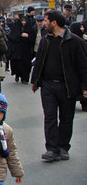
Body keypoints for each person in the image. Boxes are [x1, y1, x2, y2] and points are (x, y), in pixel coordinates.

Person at [30, 9, 87, 162]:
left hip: (67, 86)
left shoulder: (75, 42)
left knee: (66, 118)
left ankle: (63, 147)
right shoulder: (45, 40)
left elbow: (83, 67)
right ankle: (52, 149)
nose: (44, 23)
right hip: (48, 86)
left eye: (47, 21)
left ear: (54, 23)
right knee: (50, 117)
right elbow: (39, 61)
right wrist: (34, 81)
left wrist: (84, 87)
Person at [7, 16, 35, 84]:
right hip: (17, 49)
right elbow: (12, 37)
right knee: (17, 64)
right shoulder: (15, 27)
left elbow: (32, 39)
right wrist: (20, 35)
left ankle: (24, 78)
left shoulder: (30, 28)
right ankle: (17, 75)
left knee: (26, 64)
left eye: (25, 21)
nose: (23, 22)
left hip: (26, 50)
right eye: (22, 21)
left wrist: (27, 36)